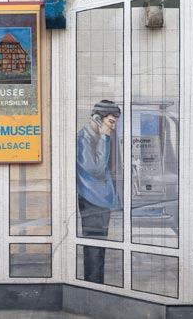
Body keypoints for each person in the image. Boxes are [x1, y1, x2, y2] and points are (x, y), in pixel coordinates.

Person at [76, 99, 121, 284]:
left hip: (102, 199)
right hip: (92, 199)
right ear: (97, 118)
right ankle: (93, 285)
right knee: (94, 246)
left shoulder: (99, 137)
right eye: (110, 121)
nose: (112, 126)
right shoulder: (84, 138)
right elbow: (95, 168)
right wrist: (104, 138)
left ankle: (97, 284)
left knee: (100, 245)